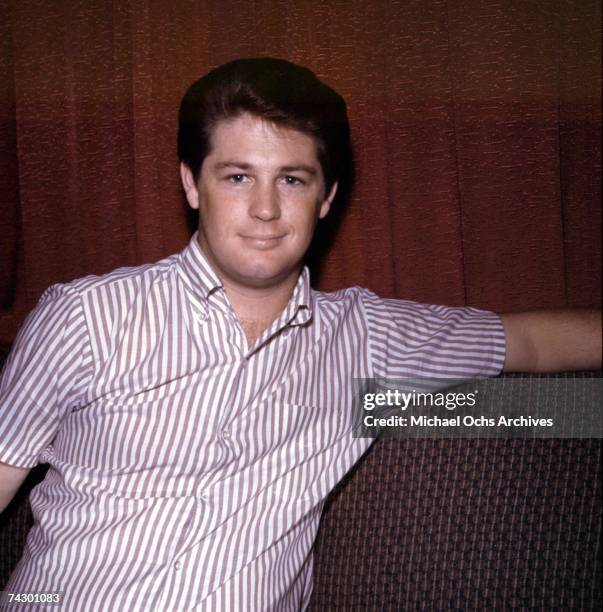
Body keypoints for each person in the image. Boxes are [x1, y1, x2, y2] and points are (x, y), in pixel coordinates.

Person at [0, 58, 600, 611]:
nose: (265, 209)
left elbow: (533, 346)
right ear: (191, 184)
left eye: (292, 180)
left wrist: (562, 411)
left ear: (326, 198)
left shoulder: (365, 337)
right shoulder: (85, 316)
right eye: (237, 177)